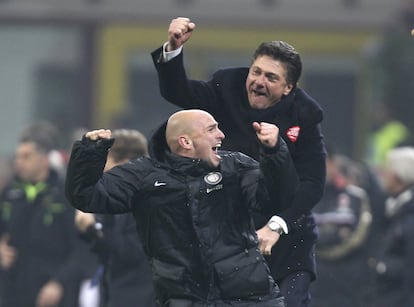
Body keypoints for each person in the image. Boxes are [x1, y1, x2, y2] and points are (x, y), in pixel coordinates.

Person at [151, 17, 326, 306]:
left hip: (287, 237)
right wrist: (172, 49)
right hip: (230, 236)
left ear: (288, 88)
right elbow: (178, 92)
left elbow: (314, 183)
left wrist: (276, 225)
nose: (259, 81)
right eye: (256, 72)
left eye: (271, 77)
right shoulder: (227, 85)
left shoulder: (305, 115)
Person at [65, 109, 299, 306]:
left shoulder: (234, 167)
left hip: (249, 297)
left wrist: (274, 152)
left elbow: (275, 199)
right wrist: (88, 154)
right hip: (184, 298)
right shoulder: (142, 176)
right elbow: (86, 197)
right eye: (211, 129)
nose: (221, 134)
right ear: (185, 142)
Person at [0, 125, 85, 307]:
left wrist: (59, 282)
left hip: (51, 294)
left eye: (26, 157)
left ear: (44, 159)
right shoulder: (10, 193)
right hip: (13, 292)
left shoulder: (65, 194)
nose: (19, 162)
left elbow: (80, 248)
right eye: (18, 156)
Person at [74, 128, 156, 307]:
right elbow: (107, 251)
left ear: (124, 162)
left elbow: (130, 253)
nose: (102, 167)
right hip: (116, 294)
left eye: (106, 158)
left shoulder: (143, 199)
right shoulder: (113, 196)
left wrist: (92, 227)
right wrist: (91, 230)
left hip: (139, 297)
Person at [311, 146, 373, 307]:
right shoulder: (307, 197)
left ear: (333, 163)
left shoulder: (355, 196)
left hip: (347, 279)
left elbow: (361, 235)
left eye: (323, 161)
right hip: (314, 278)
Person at [368, 146, 414, 307]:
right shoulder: (393, 208)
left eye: (387, 170)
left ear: (397, 177)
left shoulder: (409, 215)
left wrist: (383, 266)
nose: (383, 174)